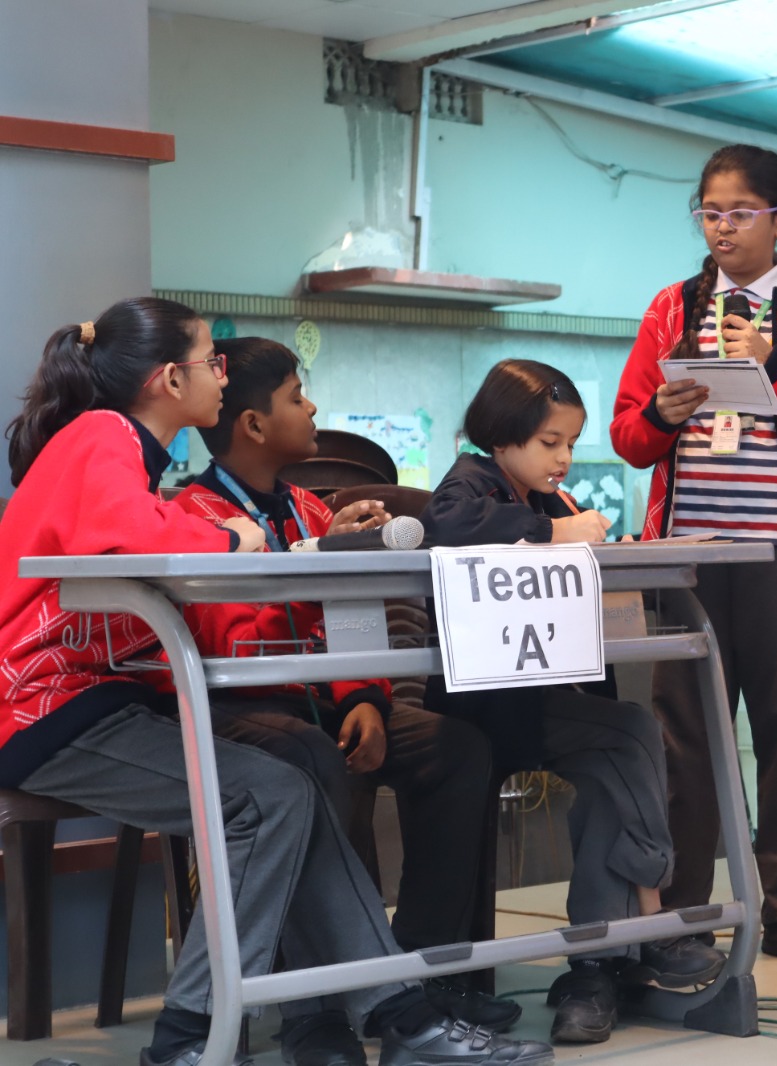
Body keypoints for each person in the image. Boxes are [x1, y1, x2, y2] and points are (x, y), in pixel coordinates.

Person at [0, 298, 545, 1066]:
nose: (221, 376)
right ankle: (205, 1038)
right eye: (211, 361)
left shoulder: (137, 455)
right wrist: (232, 536)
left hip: (101, 700)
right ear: (169, 379)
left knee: (288, 792)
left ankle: (401, 1016)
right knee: (272, 793)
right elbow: (133, 537)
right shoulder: (104, 435)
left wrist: (351, 666)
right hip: (43, 707)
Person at [173, 336, 519, 1046]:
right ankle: (319, 1010)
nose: (313, 409)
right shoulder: (193, 516)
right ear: (254, 425)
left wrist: (365, 696)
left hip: (326, 702)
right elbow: (230, 643)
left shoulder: (310, 507)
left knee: (455, 747)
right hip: (247, 712)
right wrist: (310, 562)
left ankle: (421, 969)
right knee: (313, 762)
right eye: (297, 397)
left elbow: (352, 613)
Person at [610, 144, 777, 967]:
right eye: (710, 213)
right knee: (685, 738)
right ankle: (683, 915)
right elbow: (628, 438)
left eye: (739, 214)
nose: (722, 228)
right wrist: (661, 412)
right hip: (687, 559)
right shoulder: (670, 309)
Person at [422, 359, 725, 1046]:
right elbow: (446, 522)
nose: (562, 458)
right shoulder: (472, 482)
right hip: (487, 710)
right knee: (630, 735)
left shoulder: (544, 496)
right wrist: (556, 535)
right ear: (502, 435)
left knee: (620, 756)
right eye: (549, 442)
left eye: (570, 443)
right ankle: (646, 923)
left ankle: (598, 967)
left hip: (543, 700)